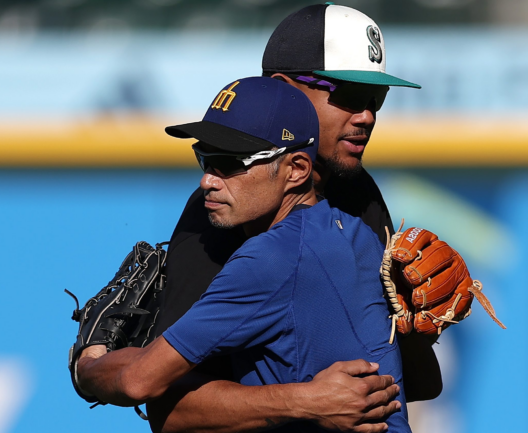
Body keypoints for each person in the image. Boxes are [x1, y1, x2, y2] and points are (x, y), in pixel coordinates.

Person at [146, 4, 442, 433]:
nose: (367, 116)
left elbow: (411, 382)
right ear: (286, 89)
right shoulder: (223, 210)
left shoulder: (360, 194)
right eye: (349, 95)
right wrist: (304, 403)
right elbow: (167, 408)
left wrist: (417, 327)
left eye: (376, 99)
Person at [76, 76, 411, 433]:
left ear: (296, 170)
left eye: (232, 162)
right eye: (205, 158)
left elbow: (137, 383)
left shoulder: (269, 260)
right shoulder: (361, 236)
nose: (209, 180)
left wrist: (91, 362)